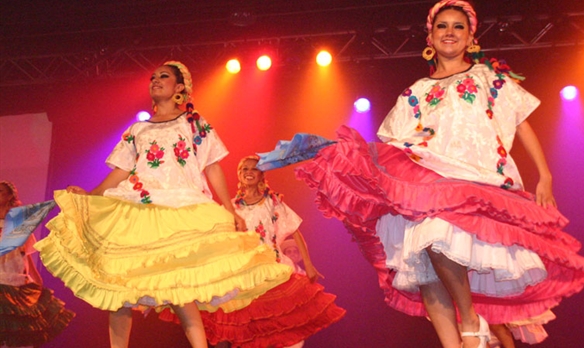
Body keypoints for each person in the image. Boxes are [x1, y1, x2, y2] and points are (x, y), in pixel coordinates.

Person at [289, 1, 584, 347]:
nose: (450, 32)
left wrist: (545, 176)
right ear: (430, 37)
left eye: (458, 27)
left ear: (471, 39)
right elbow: (391, 144)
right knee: (422, 266)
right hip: (426, 185)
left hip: (477, 181)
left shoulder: (487, 79)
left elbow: (521, 123)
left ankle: (470, 322)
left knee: (436, 239)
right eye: (442, 26)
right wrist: (337, 153)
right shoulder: (415, 92)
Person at [33, 62, 292, 348]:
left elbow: (213, 166)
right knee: (118, 286)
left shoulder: (193, 122)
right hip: (138, 208)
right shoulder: (138, 128)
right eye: (153, 77)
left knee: (178, 289)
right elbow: (121, 170)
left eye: (164, 77)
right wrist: (92, 195)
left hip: (181, 207)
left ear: (179, 87)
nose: (156, 80)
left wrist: (229, 210)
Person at [160, 155, 345, 348]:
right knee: (232, 326)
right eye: (244, 169)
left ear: (261, 174)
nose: (248, 172)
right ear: (238, 175)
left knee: (284, 324)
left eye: (253, 169)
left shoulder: (272, 202)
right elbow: (218, 240)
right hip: (243, 273)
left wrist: (308, 264)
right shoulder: (231, 207)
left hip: (272, 268)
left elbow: (294, 230)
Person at [0, 181, 75, 347]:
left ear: (10, 195)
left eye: (0, 191)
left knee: (21, 332)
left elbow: (24, 255)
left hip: (16, 282)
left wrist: (36, 278)